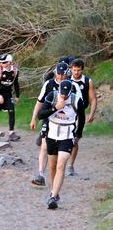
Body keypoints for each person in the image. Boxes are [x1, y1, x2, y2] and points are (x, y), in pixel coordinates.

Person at [30, 62, 82, 186]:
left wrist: (78, 129)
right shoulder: (49, 84)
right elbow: (39, 102)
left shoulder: (73, 86)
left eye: (63, 74)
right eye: (58, 73)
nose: (60, 76)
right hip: (48, 117)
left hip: (66, 122)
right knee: (44, 145)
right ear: (55, 73)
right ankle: (41, 174)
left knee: (58, 155)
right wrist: (33, 118)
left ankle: (60, 172)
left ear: (67, 74)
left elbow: (79, 106)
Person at [37, 80, 84, 209]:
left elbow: (82, 117)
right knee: (52, 166)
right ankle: (54, 191)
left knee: (61, 165)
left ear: (70, 91)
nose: (63, 96)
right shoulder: (52, 96)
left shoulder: (76, 100)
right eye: (62, 93)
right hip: (52, 135)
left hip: (67, 136)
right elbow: (41, 115)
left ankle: (53, 196)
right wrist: (55, 108)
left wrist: (78, 134)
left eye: (66, 94)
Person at [67, 58, 97, 176]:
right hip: (68, 113)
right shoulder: (67, 80)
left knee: (75, 140)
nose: (76, 73)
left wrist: (92, 113)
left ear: (82, 70)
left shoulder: (87, 81)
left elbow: (93, 98)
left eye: (78, 70)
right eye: (74, 70)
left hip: (80, 113)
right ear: (71, 69)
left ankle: (70, 166)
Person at [0, 54, 21, 140]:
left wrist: (17, 96)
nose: (2, 64)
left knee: (12, 110)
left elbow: (16, 84)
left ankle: (11, 133)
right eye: (1, 62)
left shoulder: (15, 71)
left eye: (4, 62)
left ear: (10, 62)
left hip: (8, 94)